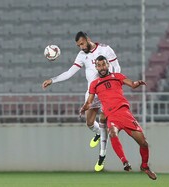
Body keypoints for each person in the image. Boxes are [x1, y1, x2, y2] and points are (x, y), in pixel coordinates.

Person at [42, 31, 121, 171]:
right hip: (92, 93)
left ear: (88, 39)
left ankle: (102, 155)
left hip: (106, 93)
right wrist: (52, 80)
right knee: (90, 123)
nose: (81, 47)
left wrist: (114, 85)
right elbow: (69, 72)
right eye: (78, 45)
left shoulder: (105, 49)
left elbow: (117, 68)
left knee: (104, 123)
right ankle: (97, 133)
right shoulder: (82, 55)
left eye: (82, 43)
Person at [79, 55, 157, 180]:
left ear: (108, 64)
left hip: (125, 113)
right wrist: (84, 107)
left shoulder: (118, 77)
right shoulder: (94, 84)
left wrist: (138, 83)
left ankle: (145, 166)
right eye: (99, 65)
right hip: (112, 116)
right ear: (96, 67)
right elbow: (89, 101)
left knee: (144, 143)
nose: (102, 67)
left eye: (103, 64)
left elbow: (131, 84)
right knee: (112, 133)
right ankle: (124, 161)